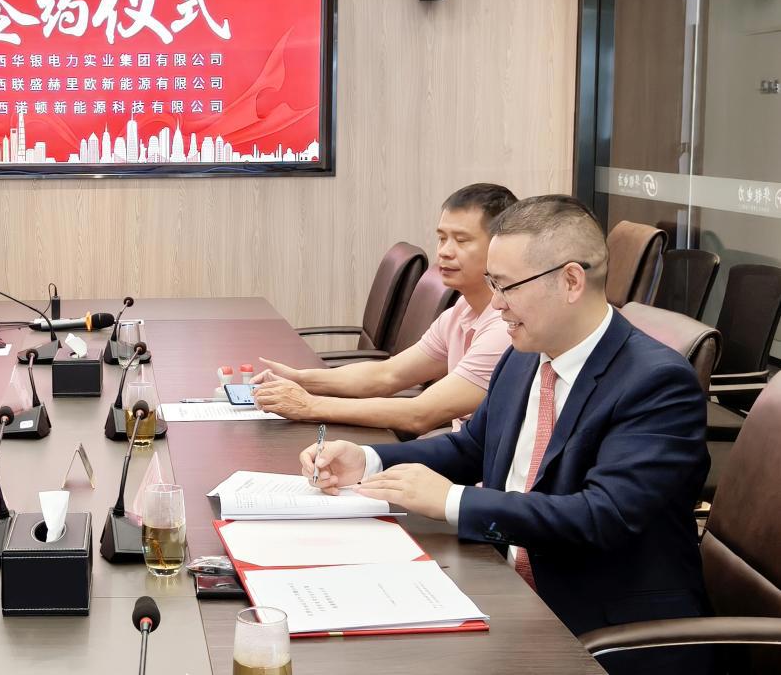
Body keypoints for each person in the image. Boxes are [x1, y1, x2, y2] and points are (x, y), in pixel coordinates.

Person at [297, 195, 710, 674]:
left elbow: (603, 515)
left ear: (571, 281)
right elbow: (473, 447)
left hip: (602, 631)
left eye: (507, 286)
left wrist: (453, 501)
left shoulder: (656, 382)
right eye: (493, 283)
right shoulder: (524, 355)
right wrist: (369, 461)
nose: (495, 303)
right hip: (505, 587)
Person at [254, 183, 517, 436]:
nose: (444, 252)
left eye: (461, 240)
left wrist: (309, 405)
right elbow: (387, 375)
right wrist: (300, 379)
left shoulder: (504, 328)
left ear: (500, 246)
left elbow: (421, 414)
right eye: (441, 238)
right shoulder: (462, 310)